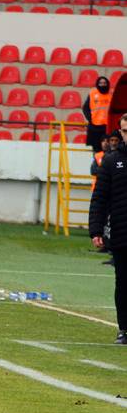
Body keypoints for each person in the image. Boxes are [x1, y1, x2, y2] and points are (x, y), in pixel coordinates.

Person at [89, 112, 127, 344]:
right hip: (123, 232)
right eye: (124, 131)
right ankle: (124, 328)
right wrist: (96, 230)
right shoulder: (112, 161)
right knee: (123, 282)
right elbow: (100, 197)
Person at [82, 76, 112, 153]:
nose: (102, 85)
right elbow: (85, 108)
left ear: (107, 84)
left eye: (104, 83)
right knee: (96, 151)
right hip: (95, 127)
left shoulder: (111, 94)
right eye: (100, 83)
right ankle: (97, 164)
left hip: (108, 127)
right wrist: (90, 118)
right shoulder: (92, 94)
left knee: (108, 150)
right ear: (97, 84)